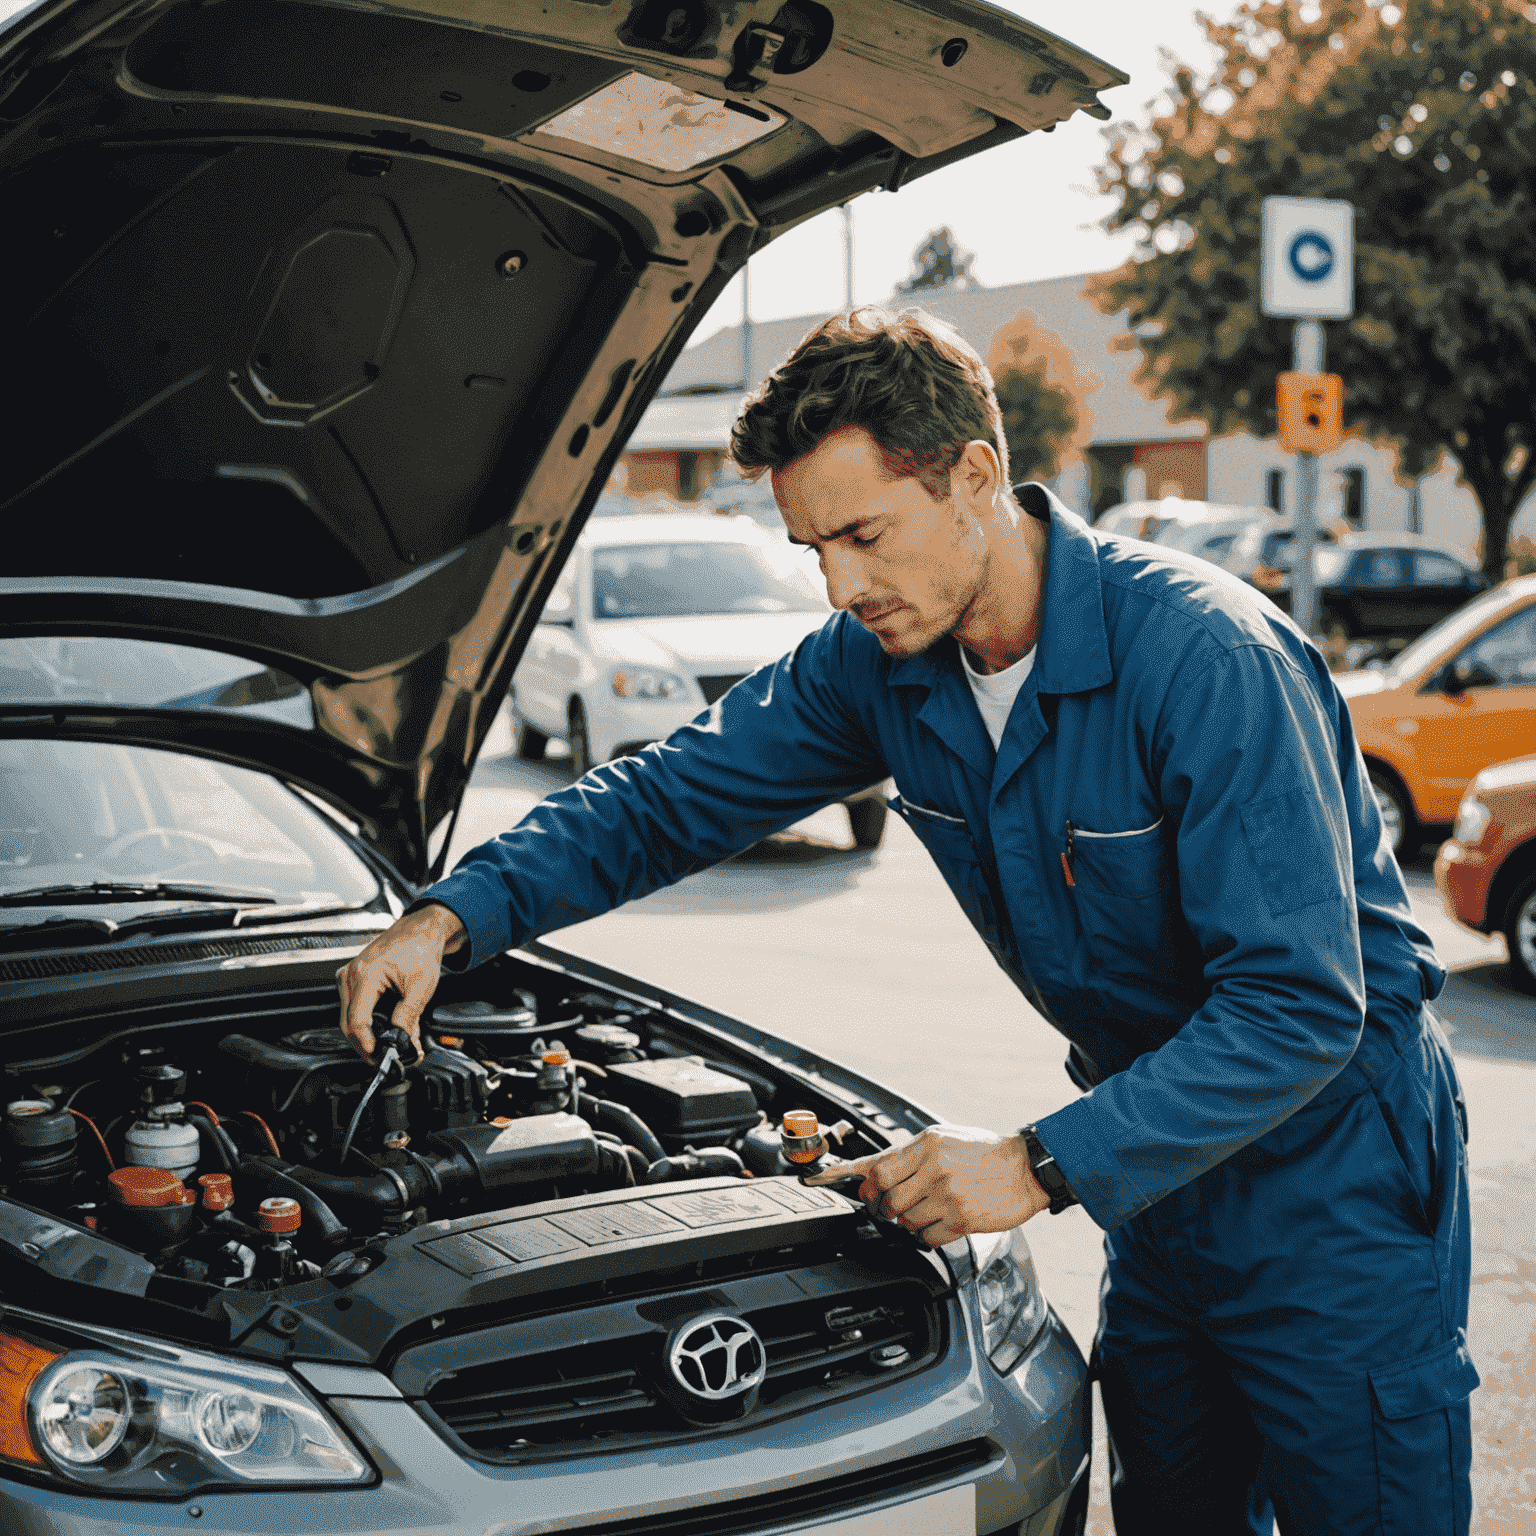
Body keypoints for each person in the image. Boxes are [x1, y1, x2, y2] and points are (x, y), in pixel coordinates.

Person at [336, 309, 1475, 1534]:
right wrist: (453, 918)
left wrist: (1036, 1166)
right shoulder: (877, 662)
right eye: (812, 546)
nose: (839, 584)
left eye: (864, 534)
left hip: (1331, 1177)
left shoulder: (1205, 660)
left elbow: (1298, 1006)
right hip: (1157, 1177)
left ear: (975, 478)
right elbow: (667, 801)